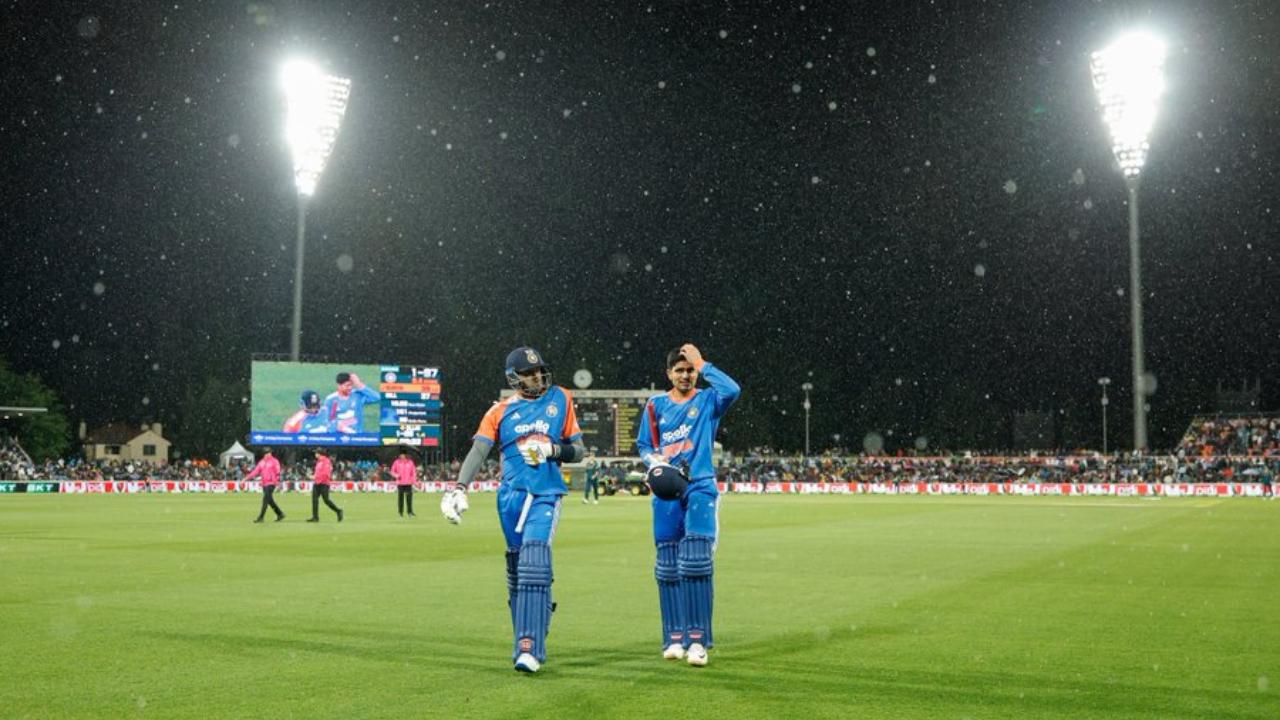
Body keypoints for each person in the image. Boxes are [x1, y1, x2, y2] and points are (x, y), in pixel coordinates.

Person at [441, 346, 585, 674]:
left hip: (545, 494)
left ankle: (530, 647)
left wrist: (553, 449)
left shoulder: (560, 398)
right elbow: (479, 452)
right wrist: (459, 488)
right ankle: (528, 630)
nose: (536, 376)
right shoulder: (499, 412)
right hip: (509, 498)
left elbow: (579, 451)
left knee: (534, 560)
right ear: (513, 377)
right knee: (518, 569)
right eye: (528, 373)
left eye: (539, 371)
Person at [636, 343, 740, 667]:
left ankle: (697, 641)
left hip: (700, 486)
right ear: (668, 374)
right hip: (666, 491)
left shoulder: (708, 400)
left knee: (695, 561)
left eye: (689, 370)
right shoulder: (655, 406)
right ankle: (673, 638)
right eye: (679, 370)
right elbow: (644, 445)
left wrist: (703, 362)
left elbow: (733, 389)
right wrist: (656, 464)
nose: (685, 375)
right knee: (667, 565)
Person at [244, 448, 286, 523]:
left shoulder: (275, 461)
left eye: (269, 453)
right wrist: (246, 478)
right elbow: (255, 471)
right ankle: (280, 514)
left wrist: (277, 482)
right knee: (269, 500)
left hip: (271, 483)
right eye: (267, 453)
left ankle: (261, 517)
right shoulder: (261, 462)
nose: (269, 454)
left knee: (265, 500)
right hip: (264, 483)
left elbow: (278, 472)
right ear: (264, 454)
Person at [307, 448, 343, 522]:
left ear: (319, 453)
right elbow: (319, 472)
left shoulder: (326, 461)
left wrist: (314, 477)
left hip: (324, 484)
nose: (315, 454)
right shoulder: (319, 462)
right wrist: (314, 476)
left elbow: (326, 474)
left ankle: (338, 511)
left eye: (316, 452)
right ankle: (315, 517)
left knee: (326, 500)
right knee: (314, 500)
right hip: (317, 483)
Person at [391, 448, 417, 517]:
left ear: (405, 455)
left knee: (409, 499)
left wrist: (414, 481)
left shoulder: (410, 462)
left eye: (402, 454)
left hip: (408, 483)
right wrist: (396, 475)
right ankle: (400, 512)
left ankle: (410, 512)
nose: (401, 456)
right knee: (400, 499)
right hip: (400, 483)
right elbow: (392, 471)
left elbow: (413, 472)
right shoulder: (396, 462)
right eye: (400, 455)